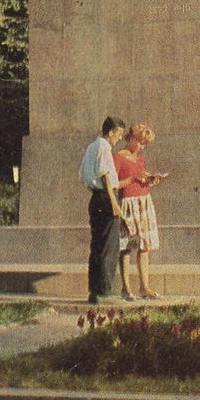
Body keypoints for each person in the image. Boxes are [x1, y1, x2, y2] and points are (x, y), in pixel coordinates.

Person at [79, 116, 126, 304]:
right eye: (119, 134)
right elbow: (105, 175)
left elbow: (83, 174)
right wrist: (113, 202)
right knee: (109, 246)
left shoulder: (92, 147)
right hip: (107, 198)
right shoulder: (104, 148)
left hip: (96, 197)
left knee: (97, 246)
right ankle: (104, 291)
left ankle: (94, 290)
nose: (119, 139)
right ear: (111, 132)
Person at [114, 124, 163, 300]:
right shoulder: (118, 157)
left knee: (144, 245)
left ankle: (145, 287)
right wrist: (132, 179)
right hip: (127, 202)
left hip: (144, 201)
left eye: (145, 144)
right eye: (141, 143)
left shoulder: (140, 159)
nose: (142, 147)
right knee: (126, 246)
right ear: (133, 138)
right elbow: (114, 184)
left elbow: (141, 178)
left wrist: (150, 180)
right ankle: (126, 288)